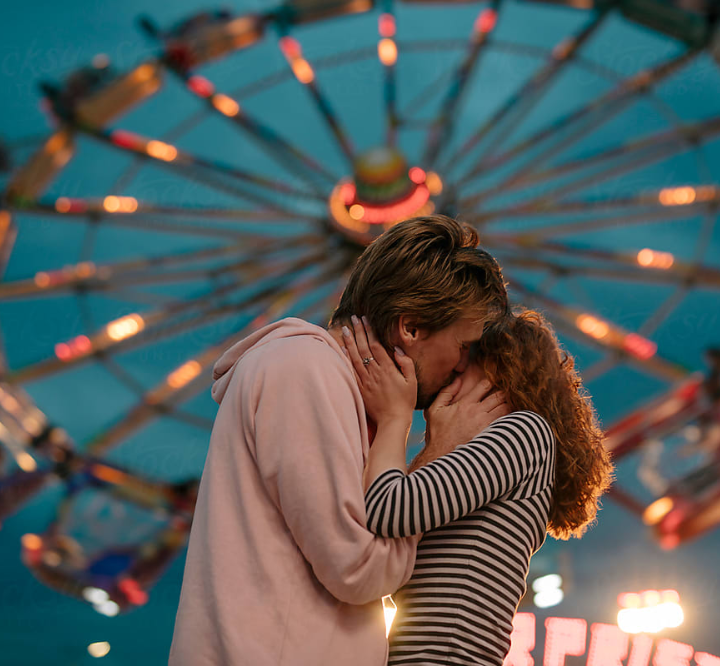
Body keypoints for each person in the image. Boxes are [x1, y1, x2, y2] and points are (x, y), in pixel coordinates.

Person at [168, 215, 509, 665]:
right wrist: (433, 451)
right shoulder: (303, 368)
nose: (464, 367)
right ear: (410, 328)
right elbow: (359, 570)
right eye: (464, 346)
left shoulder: (326, 385)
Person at [338, 308, 613, 666]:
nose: (449, 377)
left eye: (462, 364)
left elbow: (388, 510)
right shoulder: (514, 448)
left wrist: (395, 416)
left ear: (498, 373)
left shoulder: (523, 433)